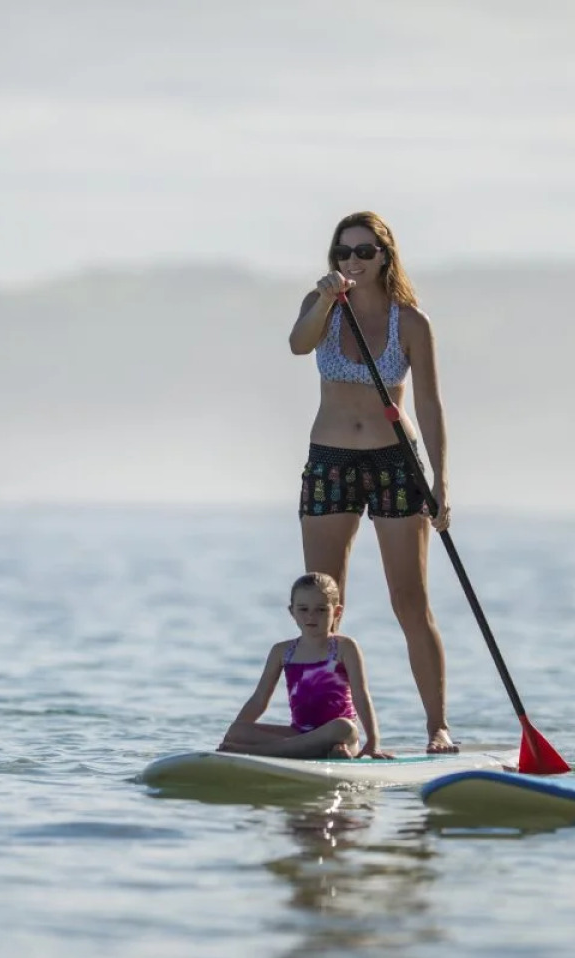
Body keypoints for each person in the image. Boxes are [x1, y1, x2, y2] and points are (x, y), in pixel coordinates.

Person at [287, 210, 455, 754]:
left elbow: (428, 404)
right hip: (331, 460)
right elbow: (297, 344)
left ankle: (437, 728)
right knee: (324, 603)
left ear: (385, 256)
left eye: (363, 252)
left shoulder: (412, 323)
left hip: (394, 463)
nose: (352, 261)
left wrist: (442, 482)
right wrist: (325, 299)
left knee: (410, 600)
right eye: (343, 252)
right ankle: (327, 728)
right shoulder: (323, 308)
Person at [219, 573, 391, 759]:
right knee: (238, 729)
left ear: (337, 612)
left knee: (345, 727)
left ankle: (261, 753)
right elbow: (259, 699)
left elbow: (361, 695)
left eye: (321, 610)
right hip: (298, 735)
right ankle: (314, 750)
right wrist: (232, 737)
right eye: (303, 609)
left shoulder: (345, 647)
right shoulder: (282, 651)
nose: (311, 616)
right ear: (292, 611)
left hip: (338, 736)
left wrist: (373, 742)